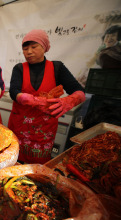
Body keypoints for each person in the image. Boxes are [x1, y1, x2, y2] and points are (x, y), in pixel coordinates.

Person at [8, 29, 85, 164]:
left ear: (44, 47)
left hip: (44, 130)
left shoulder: (57, 67)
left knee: (37, 168)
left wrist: (70, 101)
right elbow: (13, 91)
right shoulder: (19, 68)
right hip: (20, 126)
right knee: (14, 161)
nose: (29, 52)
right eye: (25, 49)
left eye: (34, 47)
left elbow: (79, 91)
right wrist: (21, 97)